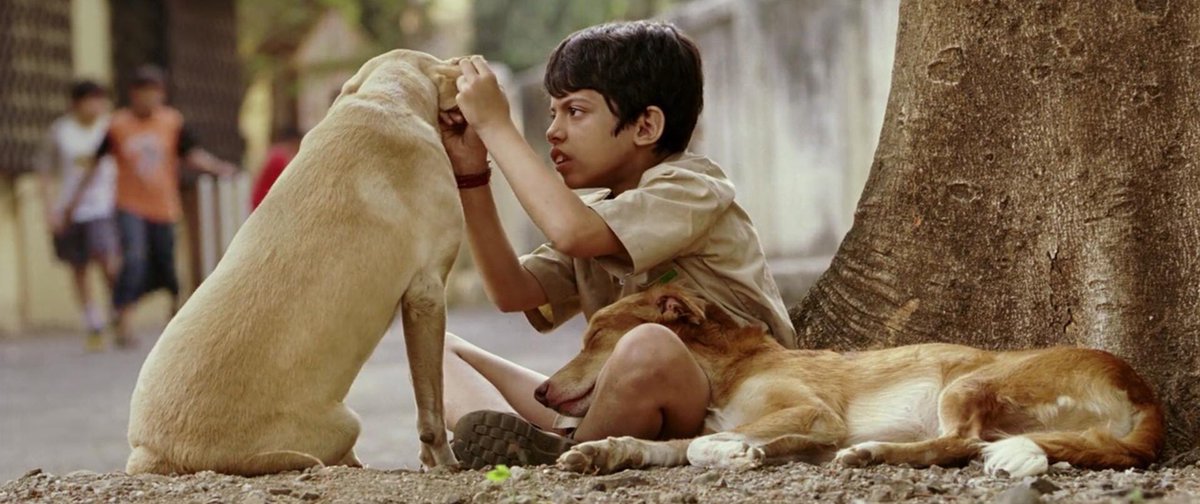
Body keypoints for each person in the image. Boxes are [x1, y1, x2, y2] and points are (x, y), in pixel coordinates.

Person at [438, 20, 797, 468]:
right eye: (552, 112)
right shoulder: (600, 215)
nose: (553, 131)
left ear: (645, 125)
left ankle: (559, 452)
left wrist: (495, 125)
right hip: (620, 403)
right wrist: (472, 174)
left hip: (728, 400)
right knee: (436, 347)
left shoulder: (692, 188)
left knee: (649, 344)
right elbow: (512, 291)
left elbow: (571, 231)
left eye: (575, 111)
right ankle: (540, 445)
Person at [65, 65, 237, 348]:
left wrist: (218, 168)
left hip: (165, 207)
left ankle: (177, 321)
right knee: (133, 259)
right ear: (133, 95)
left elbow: (190, 154)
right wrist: (73, 202)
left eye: (154, 93)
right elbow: (94, 165)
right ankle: (124, 322)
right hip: (129, 205)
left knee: (166, 265)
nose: (148, 99)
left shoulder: (171, 122)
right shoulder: (117, 125)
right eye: (143, 93)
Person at [34, 80, 121, 352]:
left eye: (100, 100)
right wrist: (50, 209)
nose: (96, 106)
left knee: (108, 259)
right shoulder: (61, 132)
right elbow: (45, 172)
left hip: (104, 206)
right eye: (90, 100)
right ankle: (92, 321)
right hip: (71, 209)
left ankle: (116, 309)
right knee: (79, 266)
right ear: (76, 103)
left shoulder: (110, 128)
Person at [249, 127, 302, 210]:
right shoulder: (279, 157)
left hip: (260, 202)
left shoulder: (275, 152)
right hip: (263, 204)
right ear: (294, 142)